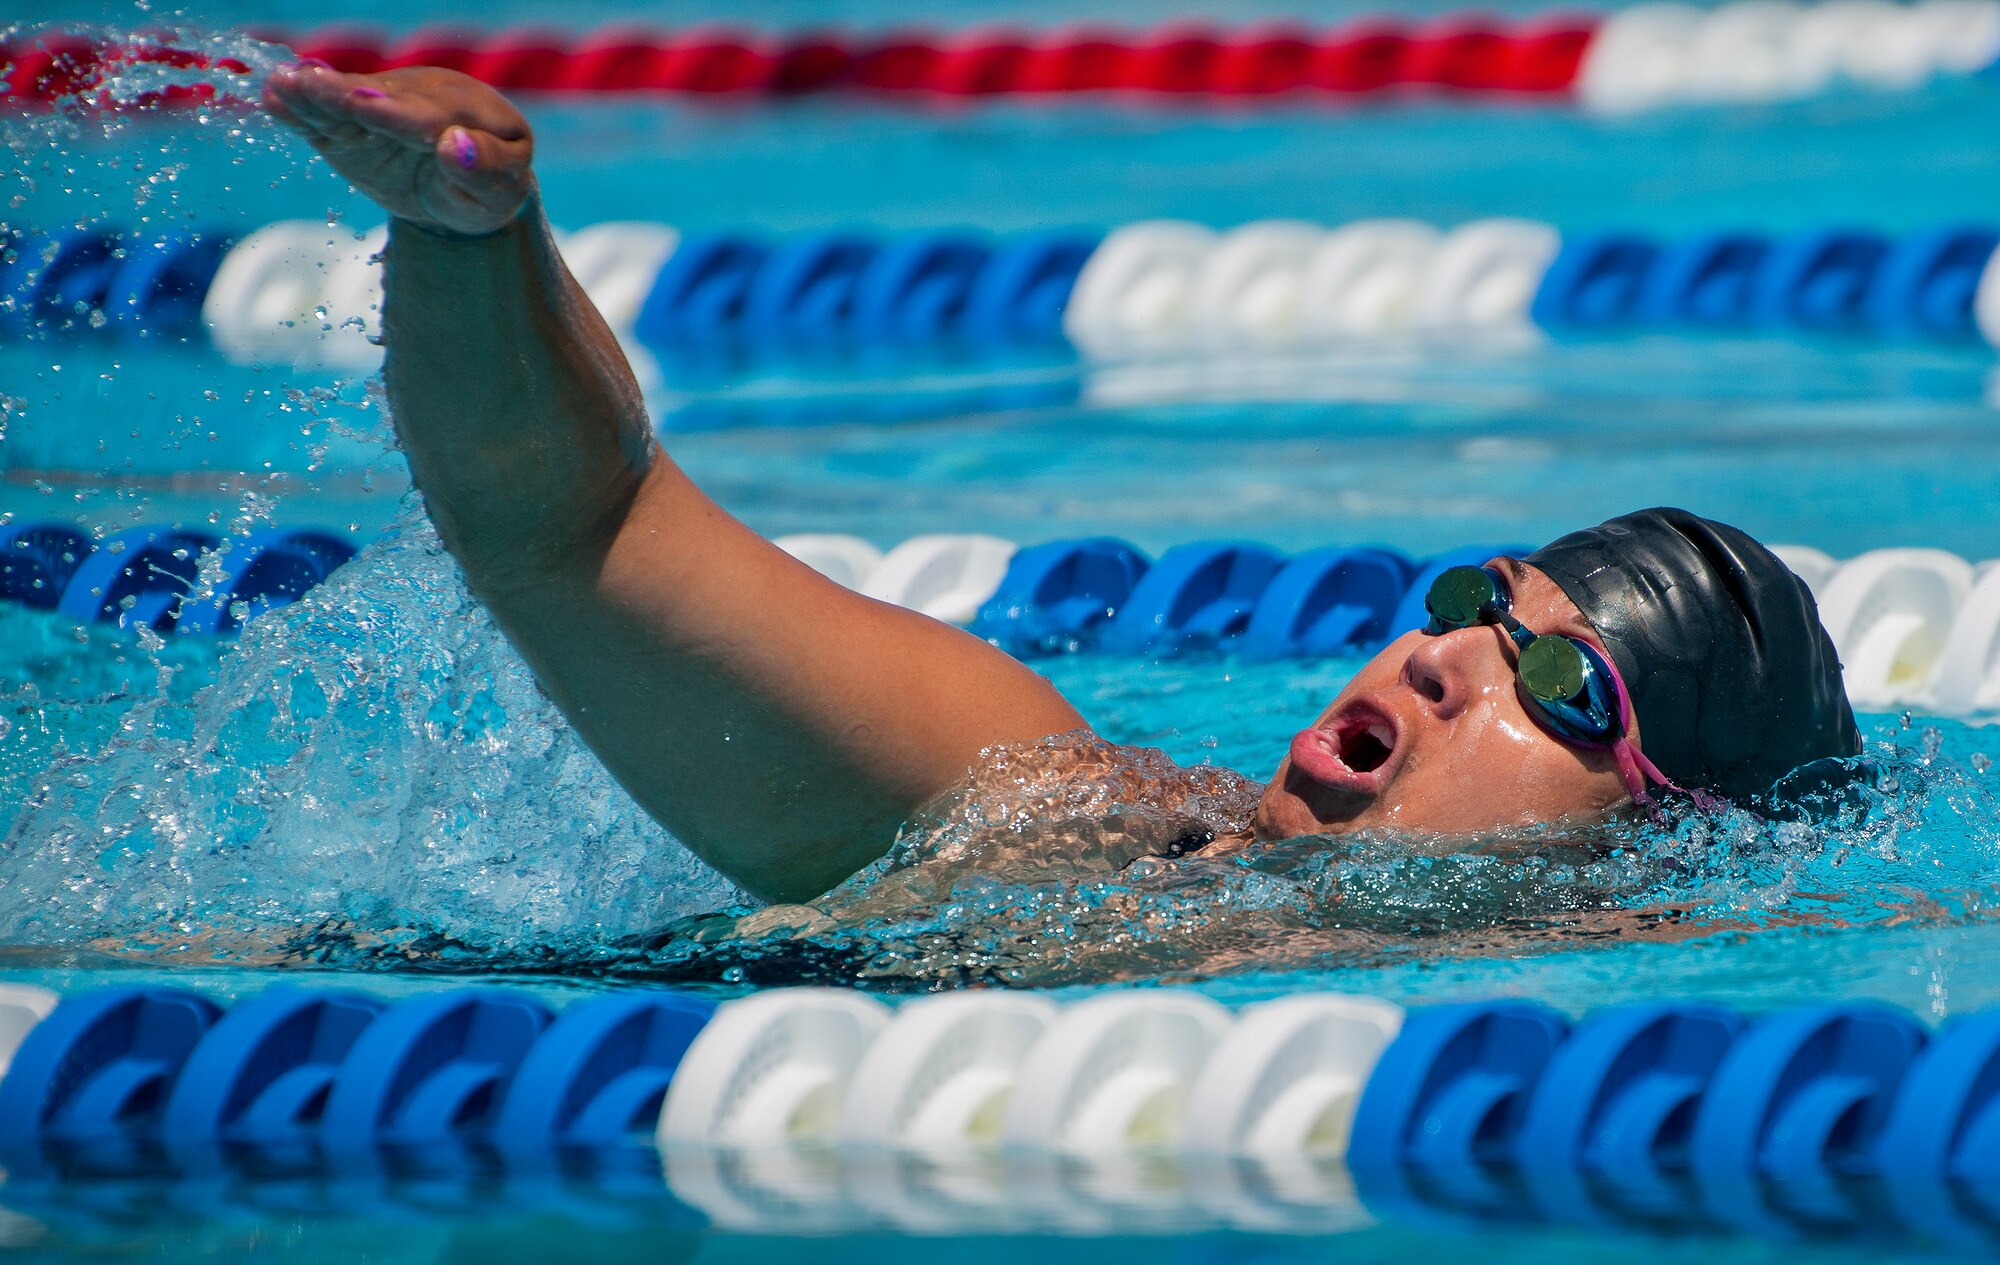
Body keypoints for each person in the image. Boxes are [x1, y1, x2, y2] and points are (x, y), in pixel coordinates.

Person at [262, 64, 1864, 907]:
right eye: (1480, 601)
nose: (1438, 655)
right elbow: (579, 537)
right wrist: (480, 249)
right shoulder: (1041, 814)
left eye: (1567, 684)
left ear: (1664, 851)